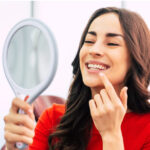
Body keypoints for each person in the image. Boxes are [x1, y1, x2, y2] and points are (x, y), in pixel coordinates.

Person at [4, 7, 150, 150]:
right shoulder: (53, 119)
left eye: (111, 43)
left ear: (137, 59)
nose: (94, 50)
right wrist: (14, 149)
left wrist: (111, 135)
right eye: (89, 41)